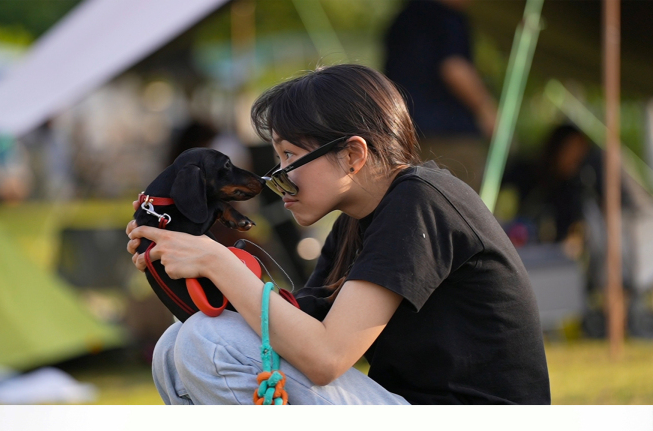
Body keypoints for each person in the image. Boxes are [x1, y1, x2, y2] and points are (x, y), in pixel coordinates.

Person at [132, 63, 550, 405]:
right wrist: (182, 253)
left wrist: (218, 261)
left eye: (290, 156)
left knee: (209, 339)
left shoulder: (422, 202)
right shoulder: (357, 220)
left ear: (352, 154)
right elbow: (293, 326)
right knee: (175, 346)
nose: (276, 176)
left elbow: (325, 357)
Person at [383, 0, 498, 189]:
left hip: (404, 134)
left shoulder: (403, 17)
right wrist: (487, 110)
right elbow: (454, 68)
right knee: (457, 207)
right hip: (450, 139)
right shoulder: (448, 19)